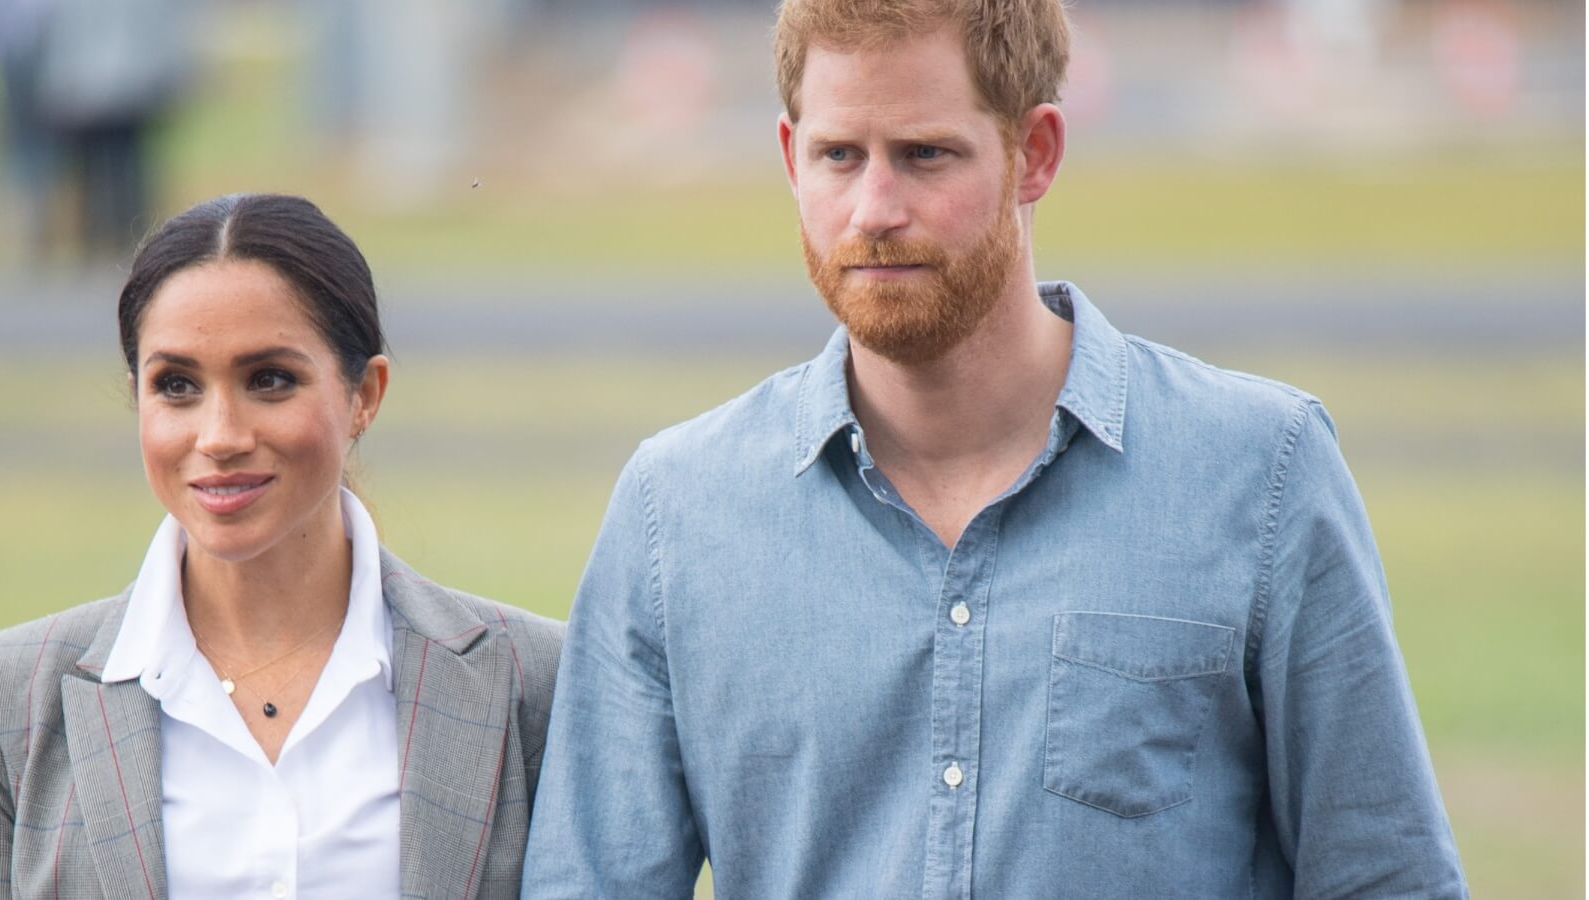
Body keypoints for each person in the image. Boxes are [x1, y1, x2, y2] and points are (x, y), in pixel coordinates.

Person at [521, 1, 1467, 897]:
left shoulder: (1261, 472)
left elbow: (1383, 875)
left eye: (925, 154)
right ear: (788, 157)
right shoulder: (675, 513)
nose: (873, 208)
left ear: (1035, 152)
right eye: (838, 155)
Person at [0, 193, 562, 899]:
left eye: (270, 380)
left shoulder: (535, 684)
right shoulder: (5, 698)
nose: (219, 435)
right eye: (177, 385)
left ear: (365, 395)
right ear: (139, 399)